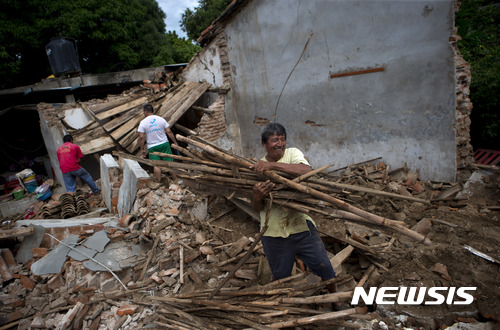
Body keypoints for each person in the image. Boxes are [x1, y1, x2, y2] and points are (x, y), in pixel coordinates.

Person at [250, 123, 338, 288]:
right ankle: (287, 308)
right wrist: (257, 197)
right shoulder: (257, 168)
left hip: (301, 228)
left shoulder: (292, 154)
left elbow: (306, 170)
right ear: (264, 144)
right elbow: (256, 208)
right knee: (281, 277)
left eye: (282, 139)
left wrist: (272, 166)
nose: (280, 144)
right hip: (273, 233)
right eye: (275, 140)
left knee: (324, 267)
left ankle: (336, 299)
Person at [138, 103, 178, 182]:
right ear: (152, 111)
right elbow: (169, 131)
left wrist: (142, 149)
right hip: (164, 144)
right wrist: (174, 141)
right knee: (169, 162)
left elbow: (141, 137)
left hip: (152, 147)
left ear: (145, 112)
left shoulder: (143, 122)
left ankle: (159, 182)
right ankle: (176, 179)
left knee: (156, 165)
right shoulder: (161, 119)